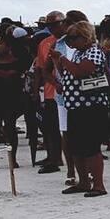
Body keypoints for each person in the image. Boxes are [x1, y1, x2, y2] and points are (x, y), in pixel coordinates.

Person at [53, 21, 110, 197]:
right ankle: (83, 182)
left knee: (91, 147)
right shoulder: (78, 53)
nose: (70, 42)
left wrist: (62, 59)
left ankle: (98, 184)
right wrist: (58, 62)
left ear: (85, 37)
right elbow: (69, 73)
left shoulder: (94, 52)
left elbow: (81, 72)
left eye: (73, 38)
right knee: (75, 146)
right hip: (76, 106)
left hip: (91, 107)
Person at [0, 28, 30, 170]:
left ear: (8, 46)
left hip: (11, 97)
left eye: (1, 43)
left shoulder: (18, 60)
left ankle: (12, 159)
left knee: (10, 127)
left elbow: (10, 75)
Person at [33, 11, 67, 177]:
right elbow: (41, 69)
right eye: (49, 25)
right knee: (51, 128)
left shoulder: (72, 41)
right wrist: (35, 90)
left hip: (71, 92)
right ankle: (54, 158)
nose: (52, 28)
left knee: (69, 128)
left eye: (55, 24)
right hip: (51, 92)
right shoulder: (45, 43)